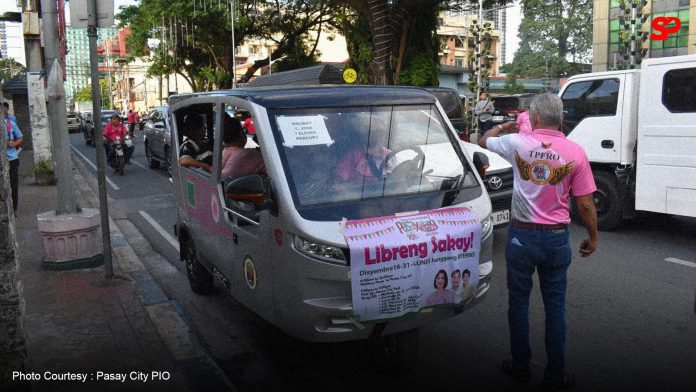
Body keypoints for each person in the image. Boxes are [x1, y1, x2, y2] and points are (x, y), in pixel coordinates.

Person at [478, 93, 598, 390]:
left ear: (532, 119)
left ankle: (520, 367)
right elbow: (585, 205)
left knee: (518, 304)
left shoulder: (518, 143)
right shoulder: (575, 152)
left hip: (521, 236)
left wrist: (505, 127)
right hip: (557, 239)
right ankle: (555, 374)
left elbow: (483, 140)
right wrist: (593, 237)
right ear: (562, 119)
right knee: (555, 307)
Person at [3, 103, 23, 215]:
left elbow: (20, 138)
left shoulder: (10, 123)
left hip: (11, 159)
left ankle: (13, 209)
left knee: (13, 185)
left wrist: (14, 143)